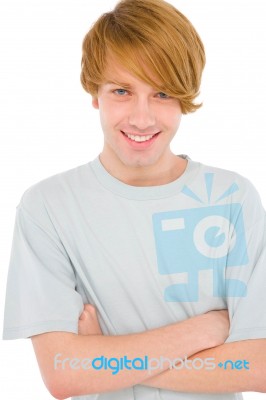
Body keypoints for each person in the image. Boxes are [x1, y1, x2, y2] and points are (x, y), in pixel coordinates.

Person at [2, 0, 266, 399]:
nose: (142, 118)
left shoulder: (232, 198)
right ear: (95, 93)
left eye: (162, 93)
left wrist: (101, 359)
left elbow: (258, 366)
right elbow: (64, 374)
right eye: (122, 91)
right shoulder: (48, 207)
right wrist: (206, 330)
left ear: (185, 96)